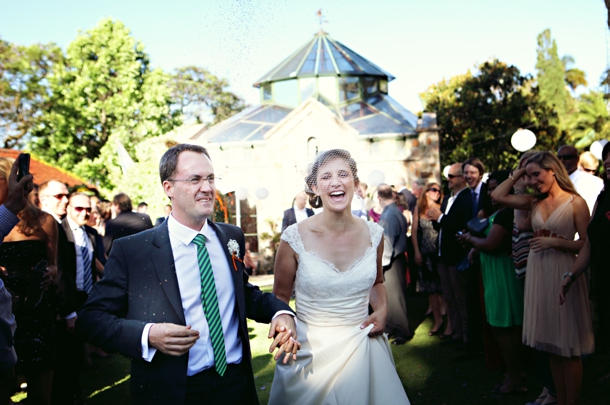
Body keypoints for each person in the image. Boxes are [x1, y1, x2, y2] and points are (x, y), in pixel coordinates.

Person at [76, 143, 297, 405]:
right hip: (174, 391)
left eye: (210, 178)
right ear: (168, 187)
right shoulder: (134, 251)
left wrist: (281, 312)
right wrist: (149, 335)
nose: (207, 188)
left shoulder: (230, 236)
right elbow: (91, 321)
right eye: (195, 179)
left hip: (236, 385)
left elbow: (242, 294)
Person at [269, 149, 410, 404]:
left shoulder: (375, 234)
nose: (335, 181)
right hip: (309, 354)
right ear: (314, 187)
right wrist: (283, 320)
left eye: (343, 174)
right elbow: (279, 295)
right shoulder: (293, 238)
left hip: (363, 348)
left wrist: (382, 308)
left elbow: (377, 282)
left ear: (355, 184)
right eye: (326, 176)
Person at [492, 151, 593, 405]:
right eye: (530, 175)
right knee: (551, 346)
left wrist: (555, 243)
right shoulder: (533, 202)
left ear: (553, 170)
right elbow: (497, 195)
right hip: (539, 274)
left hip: (562, 271)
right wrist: (520, 173)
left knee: (568, 348)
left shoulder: (575, 203)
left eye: (537, 174)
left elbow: (588, 245)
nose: (533, 181)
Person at [458, 171, 525, 393]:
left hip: (503, 276)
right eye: (489, 188)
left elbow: (490, 244)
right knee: (500, 327)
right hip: (491, 273)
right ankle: (512, 372)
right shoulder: (495, 213)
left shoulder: (507, 214)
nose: (492, 193)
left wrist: (469, 240)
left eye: (496, 187)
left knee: (504, 327)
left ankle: (516, 377)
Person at [0, 158, 58, 405]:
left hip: (35, 312)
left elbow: (55, 264)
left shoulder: (44, 221)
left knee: (40, 393)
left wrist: (48, 274)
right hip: (4, 313)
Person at [560, 141, 610, 354]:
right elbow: (589, 242)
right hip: (604, 277)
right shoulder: (603, 197)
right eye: (606, 157)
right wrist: (571, 275)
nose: (607, 162)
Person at [426, 163, 472, 344]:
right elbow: (442, 225)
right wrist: (436, 218)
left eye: (451, 176)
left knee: (461, 298)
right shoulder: (449, 198)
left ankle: (468, 336)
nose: (448, 180)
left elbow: (460, 224)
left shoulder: (467, 197)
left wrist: (440, 217)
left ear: (462, 178)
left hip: (456, 255)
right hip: (443, 255)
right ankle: (457, 331)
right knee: (449, 296)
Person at [377, 184, 412, 345]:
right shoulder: (392, 211)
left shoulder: (390, 214)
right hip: (393, 258)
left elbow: (388, 241)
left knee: (396, 297)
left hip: (392, 260)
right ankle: (391, 328)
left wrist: (382, 264)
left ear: (379, 198)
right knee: (390, 296)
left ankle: (402, 331)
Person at [411, 182, 445, 336]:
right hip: (425, 253)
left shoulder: (442, 209)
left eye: (439, 190)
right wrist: (417, 252)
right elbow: (414, 232)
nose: (437, 193)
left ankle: (446, 319)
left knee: (444, 289)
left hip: (440, 253)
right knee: (431, 289)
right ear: (426, 192)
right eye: (433, 190)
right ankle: (438, 320)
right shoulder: (419, 209)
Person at [557, 145, 603, 214]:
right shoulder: (554, 180)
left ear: (577, 159)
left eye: (567, 157)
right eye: (559, 157)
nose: (562, 160)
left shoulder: (592, 181)